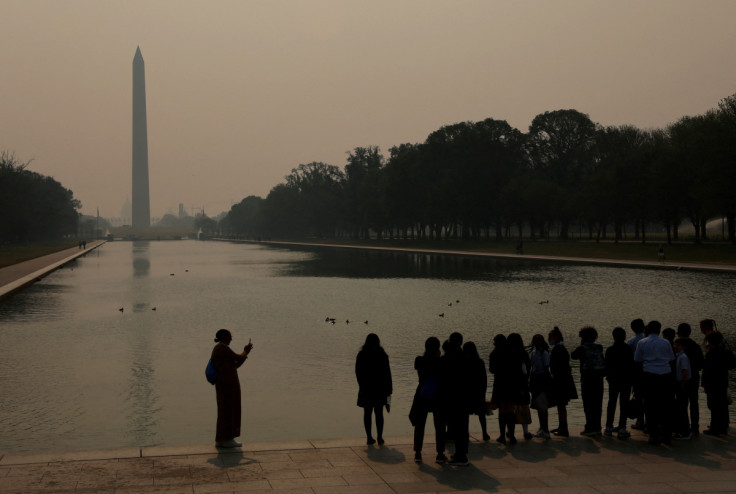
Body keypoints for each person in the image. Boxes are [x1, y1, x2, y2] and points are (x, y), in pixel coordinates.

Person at [634, 320, 675, 445]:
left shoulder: (642, 342)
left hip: (649, 375)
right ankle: (666, 434)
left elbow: (638, 360)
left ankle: (653, 434)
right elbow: (672, 359)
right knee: (665, 405)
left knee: (650, 405)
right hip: (665, 375)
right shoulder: (666, 342)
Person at [211, 328, 253, 448]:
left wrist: (245, 354)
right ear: (223, 337)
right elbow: (237, 357)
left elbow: (235, 365)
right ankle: (226, 439)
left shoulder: (222, 349)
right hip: (226, 386)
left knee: (229, 410)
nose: (231, 338)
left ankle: (222, 439)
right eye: (229, 336)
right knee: (227, 410)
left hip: (228, 385)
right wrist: (245, 351)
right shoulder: (221, 348)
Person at [410, 337, 445, 464]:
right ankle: (440, 453)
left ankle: (418, 453)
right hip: (438, 395)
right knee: (439, 425)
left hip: (422, 394)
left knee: (420, 424)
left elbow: (418, 368)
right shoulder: (441, 361)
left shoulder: (419, 360)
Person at [355, 333, 393, 445]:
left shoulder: (361, 354)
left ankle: (369, 437)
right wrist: (389, 391)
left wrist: (361, 385)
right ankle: (380, 437)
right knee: (379, 413)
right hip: (380, 389)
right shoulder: (382, 355)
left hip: (366, 388)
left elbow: (358, 372)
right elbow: (387, 374)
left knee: (367, 413)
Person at [440, 337, 471, 465]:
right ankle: (461, 454)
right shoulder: (465, 357)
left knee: (456, 427)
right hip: (463, 398)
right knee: (463, 427)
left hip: (452, 399)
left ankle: (460, 456)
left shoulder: (447, 360)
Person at [571, 326, 606, 437]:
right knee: (597, 404)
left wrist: (582, 345)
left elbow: (573, 356)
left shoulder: (582, 349)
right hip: (599, 379)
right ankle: (597, 428)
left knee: (588, 404)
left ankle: (589, 428)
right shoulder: (599, 347)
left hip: (587, 379)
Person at [702, 331, 736, 436]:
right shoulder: (724, 351)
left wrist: (704, 384)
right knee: (722, 405)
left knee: (714, 406)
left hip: (712, 383)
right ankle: (723, 426)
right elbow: (732, 363)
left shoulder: (711, 353)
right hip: (722, 381)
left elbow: (706, 370)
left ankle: (715, 428)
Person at [548, 326, 577, 437]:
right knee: (561, 405)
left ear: (555, 337)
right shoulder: (561, 348)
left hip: (560, 381)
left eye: (550, 336)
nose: (548, 339)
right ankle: (562, 426)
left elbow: (556, 367)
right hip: (564, 380)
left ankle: (563, 428)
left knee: (561, 405)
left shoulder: (558, 349)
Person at [604, 327, 633, 439]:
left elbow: (607, 365)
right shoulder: (628, 349)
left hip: (613, 380)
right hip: (626, 380)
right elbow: (631, 365)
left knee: (612, 402)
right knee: (624, 403)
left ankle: (608, 426)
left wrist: (608, 377)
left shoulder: (610, 349)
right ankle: (622, 427)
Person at [676, 323, 704, 435]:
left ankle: (684, 426)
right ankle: (695, 426)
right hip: (694, 378)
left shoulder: (679, 346)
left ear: (679, 333)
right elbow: (701, 363)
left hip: (682, 379)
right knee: (694, 403)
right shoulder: (695, 345)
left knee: (682, 403)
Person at [489, 334, 517, 444]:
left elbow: (492, 370)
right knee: (510, 409)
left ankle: (502, 435)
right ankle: (512, 434)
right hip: (511, 383)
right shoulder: (512, 352)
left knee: (502, 410)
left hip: (499, 383)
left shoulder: (494, 354)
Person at [463, 341, 490, 442]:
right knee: (481, 414)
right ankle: (484, 433)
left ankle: (466, 433)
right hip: (478, 391)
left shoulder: (464, 362)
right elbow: (484, 378)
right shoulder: (479, 361)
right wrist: (483, 391)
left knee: (465, 414)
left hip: (467, 391)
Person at [507, 333, 532, 440]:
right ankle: (525, 432)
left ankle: (510, 432)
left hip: (510, 385)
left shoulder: (508, 354)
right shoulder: (523, 354)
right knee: (523, 408)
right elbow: (526, 371)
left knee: (510, 409)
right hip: (522, 385)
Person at [529, 334, 552, 439]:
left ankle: (545, 430)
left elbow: (546, 369)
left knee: (542, 406)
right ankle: (542, 428)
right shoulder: (533, 353)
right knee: (538, 406)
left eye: (538, 341)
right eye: (535, 341)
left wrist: (546, 384)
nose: (536, 343)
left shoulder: (544, 353)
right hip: (535, 379)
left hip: (541, 380)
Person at [627, 319, 646, 430]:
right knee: (648, 397)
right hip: (649, 372)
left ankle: (640, 421)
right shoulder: (647, 339)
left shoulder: (631, 342)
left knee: (638, 397)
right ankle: (650, 421)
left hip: (636, 373)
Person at [672, 338, 692, 439]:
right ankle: (682, 429)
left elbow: (685, 372)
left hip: (683, 384)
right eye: (675, 345)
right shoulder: (678, 356)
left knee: (682, 408)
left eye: (678, 345)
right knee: (680, 408)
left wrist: (682, 385)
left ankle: (685, 432)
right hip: (680, 383)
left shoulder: (683, 357)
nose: (675, 347)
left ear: (683, 347)